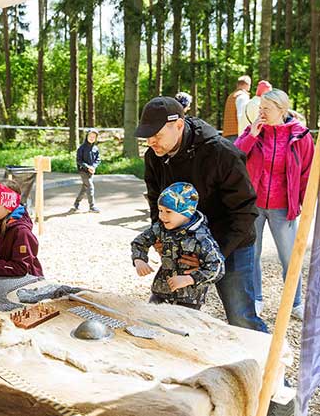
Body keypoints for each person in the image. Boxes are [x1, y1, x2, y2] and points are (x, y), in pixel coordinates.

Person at [136, 96, 268, 332]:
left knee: (241, 318)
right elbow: (156, 199)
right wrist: (160, 234)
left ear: (178, 125)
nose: (151, 141)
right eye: (148, 135)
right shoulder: (153, 157)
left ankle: (267, 364)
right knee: (167, 312)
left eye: (157, 135)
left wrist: (211, 254)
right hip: (182, 245)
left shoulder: (221, 153)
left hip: (231, 241)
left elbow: (245, 211)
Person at [235, 89, 314, 320]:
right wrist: (251, 135)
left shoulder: (301, 136)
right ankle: (255, 299)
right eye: (260, 109)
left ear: (281, 110)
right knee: (253, 254)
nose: (261, 113)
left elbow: (307, 173)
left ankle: (295, 302)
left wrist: (306, 204)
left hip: (283, 206)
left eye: (266, 109)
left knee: (290, 256)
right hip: (254, 205)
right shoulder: (254, 131)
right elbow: (235, 156)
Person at [131, 182, 225, 310]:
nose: (162, 216)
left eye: (168, 211)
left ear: (187, 213)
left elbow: (217, 267)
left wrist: (189, 279)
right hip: (160, 292)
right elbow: (139, 241)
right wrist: (139, 259)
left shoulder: (201, 238)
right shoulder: (160, 228)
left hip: (189, 299)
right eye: (160, 210)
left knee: (182, 328)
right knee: (150, 321)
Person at [70, 128, 101, 213]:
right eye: (90, 136)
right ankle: (92, 206)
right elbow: (79, 160)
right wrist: (88, 167)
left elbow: (98, 160)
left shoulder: (95, 148)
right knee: (90, 187)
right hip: (83, 171)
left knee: (85, 188)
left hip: (91, 171)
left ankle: (76, 203)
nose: (92, 138)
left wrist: (93, 167)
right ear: (87, 136)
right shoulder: (82, 148)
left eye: (94, 137)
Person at [222, 75, 251, 141]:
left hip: (227, 133)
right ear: (247, 84)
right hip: (237, 134)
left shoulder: (231, 96)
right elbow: (241, 116)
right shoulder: (242, 96)